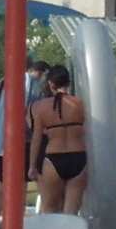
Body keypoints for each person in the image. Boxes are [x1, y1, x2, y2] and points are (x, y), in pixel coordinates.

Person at [28, 64, 88, 215]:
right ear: (68, 82)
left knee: (50, 209)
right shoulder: (79, 104)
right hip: (78, 156)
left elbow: (36, 139)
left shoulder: (41, 107)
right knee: (71, 213)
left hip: (53, 158)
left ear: (50, 83)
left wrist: (32, 166)